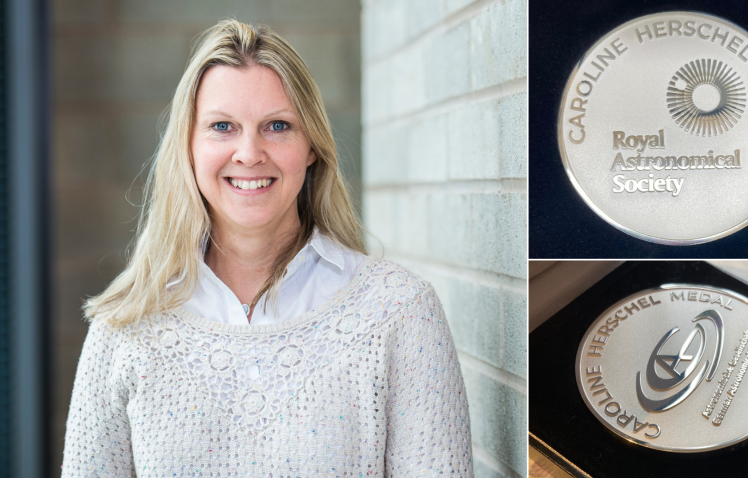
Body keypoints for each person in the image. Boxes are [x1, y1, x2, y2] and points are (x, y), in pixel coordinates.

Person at [61, 19, 473, 477]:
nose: (250, 152)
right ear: (188, 148)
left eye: (277, 126)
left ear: (312, 145)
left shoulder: (400, 311)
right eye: (222, 127)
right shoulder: (125, 327)